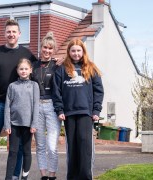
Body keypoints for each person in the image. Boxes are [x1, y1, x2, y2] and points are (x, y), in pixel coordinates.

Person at [0, 19, 37, 180]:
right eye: (8, 32)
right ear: (4, 34)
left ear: (19, 34)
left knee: (16, 147)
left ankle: (14, 176)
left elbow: (39, 72)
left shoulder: (27, 54)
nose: (11, 34)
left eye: (14, 32)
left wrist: (56, 63)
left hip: (19, 108)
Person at [52, 38, 104, 180]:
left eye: (78, 50)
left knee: (85, 146)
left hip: (86, 114)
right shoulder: (62, 70)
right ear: (69, 52)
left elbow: (98, 91)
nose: (76, 53)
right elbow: (56, 92)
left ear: (83, 52)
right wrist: (60, 110)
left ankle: (85, 176)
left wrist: (96, 111)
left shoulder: (91, 68)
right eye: (73, 50)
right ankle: (73, 177)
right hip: (68, 114)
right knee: (72, 147)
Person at [4, 58, 40, 180]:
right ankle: (8, 177)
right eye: (21, 69)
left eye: (26, 69)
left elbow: (36, 105)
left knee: (26, 151)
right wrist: (7, 125)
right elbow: (7, 106)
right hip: (14, 124)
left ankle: (24, 177)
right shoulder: (12, 86)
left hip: (28, 125)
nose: (23, 71)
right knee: (13, 152)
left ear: (30, 70)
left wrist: (34, 124)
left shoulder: (34, 85)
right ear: (17, 70)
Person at [31, 32, 61, 180]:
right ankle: (44, 176)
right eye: (45, 47)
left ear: (53, 50)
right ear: (41, 47)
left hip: (52, 107)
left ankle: (52, 175)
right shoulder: (33, 66)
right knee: (40, 145)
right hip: (37, 107)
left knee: (52, 146)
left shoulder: (57, 66)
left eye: (50, 48)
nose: (47, 51)